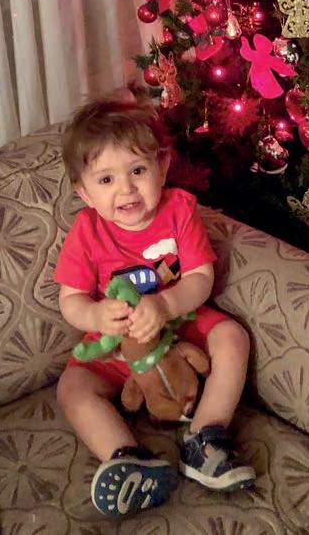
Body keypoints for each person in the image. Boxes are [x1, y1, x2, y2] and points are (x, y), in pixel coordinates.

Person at [54, 90, 255, 519]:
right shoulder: (86, 231)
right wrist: (95, 314)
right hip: (118, 343)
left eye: (137, 170)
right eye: (106, 180)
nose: (126, 189)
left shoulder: (179, 209)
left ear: (162, 167)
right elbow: (70, 299)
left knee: (232, 337)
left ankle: (205, 438)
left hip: (179, 325)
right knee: (72, 388)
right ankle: (127, 458)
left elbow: (200, 277)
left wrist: (164, 305)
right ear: (84, 192)